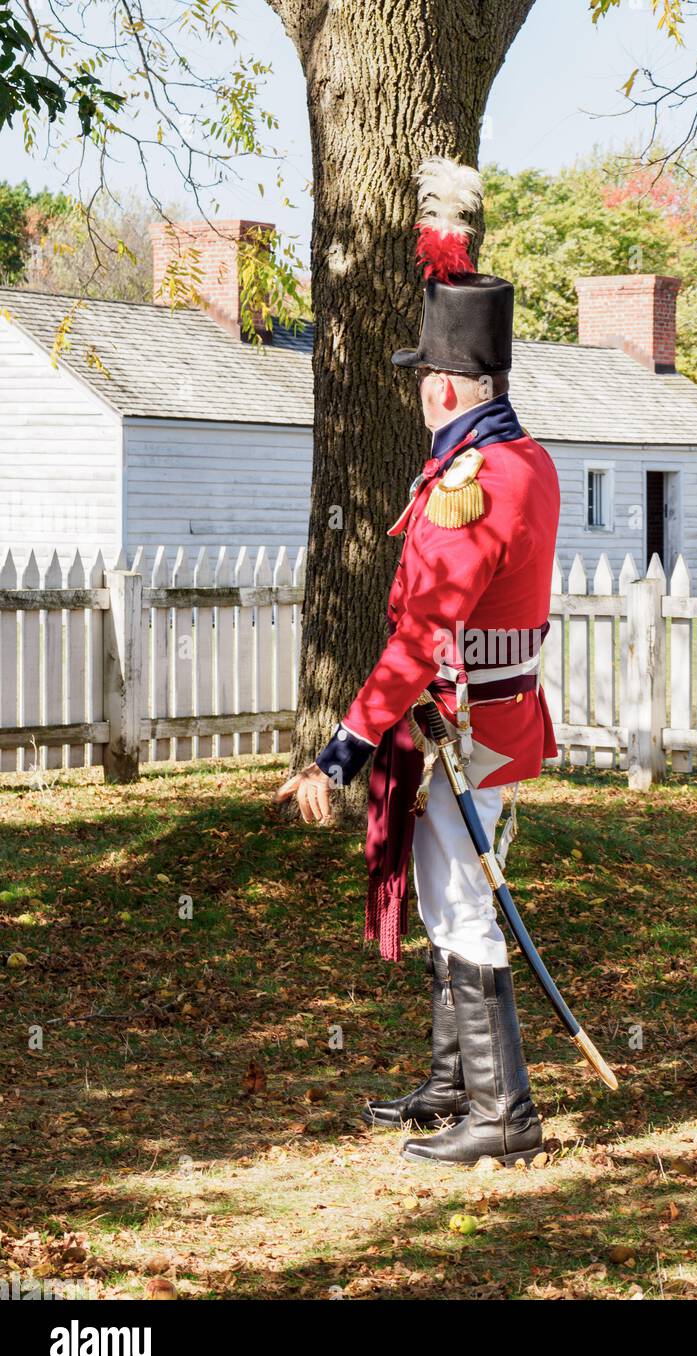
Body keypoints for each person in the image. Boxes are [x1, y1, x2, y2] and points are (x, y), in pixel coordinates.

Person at [275, 157, 560, 1166]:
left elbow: (418, 640)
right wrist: (446, 248)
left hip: (462, 732)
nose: (419, 398)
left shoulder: (465, 487)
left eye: (422, 383)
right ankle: (456, 1083)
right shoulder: (526, 459)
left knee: (461, 903)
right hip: (502, 717)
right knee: (455, 898)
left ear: (444, 386)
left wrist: (340, 755)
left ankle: (505, 1114)